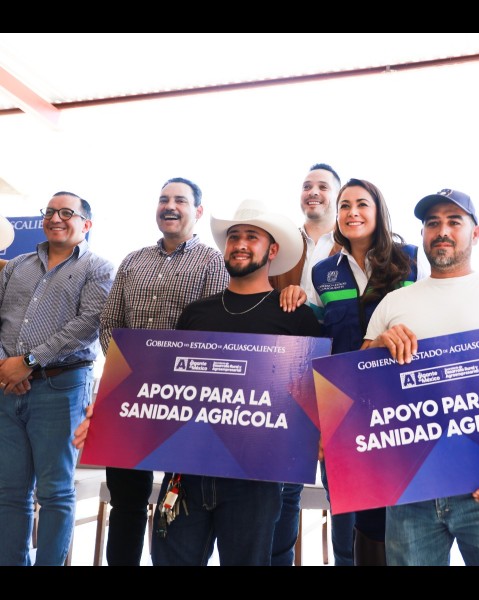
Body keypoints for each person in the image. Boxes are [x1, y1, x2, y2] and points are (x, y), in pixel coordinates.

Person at [145, 198, 321, 565]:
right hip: (187, 471)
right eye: (234, 237)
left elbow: (313, 396)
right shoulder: (195, 314)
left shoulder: (296, 317)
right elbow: (166, 388)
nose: (240, 244)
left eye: (252, 237)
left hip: (256, 479)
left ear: (272, 250)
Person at [363, 188, 479, 566]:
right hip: (411, 490)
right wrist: (377, 347)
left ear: (476, 233)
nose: (442, 231)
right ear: (422, 234)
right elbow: (360, 392)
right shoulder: (394, 303)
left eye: (454, 222)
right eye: (432, 223)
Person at [286, 178, 429, 565]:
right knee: (346, 514)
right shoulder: (322, 272)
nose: (352, 213)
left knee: (403, 517)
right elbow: (315, 342)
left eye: (362, 204)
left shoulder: (412, 259)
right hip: (343, 410)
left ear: (379, 211)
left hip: (404, 407)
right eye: (345, 206)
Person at [97, 177, 229, 566]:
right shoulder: (132, 260)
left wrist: (171, 380)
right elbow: (109, 324)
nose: (169, 206)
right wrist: (131, 373)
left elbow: (211, 331)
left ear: (198, 211)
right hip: (129, 396)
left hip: (182, 399)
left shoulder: (212, 261)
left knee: (182, 500)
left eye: (180, 200)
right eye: (163, 199)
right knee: (126, 500)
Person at [0, 191, 114, 566]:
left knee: (55, 493)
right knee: (9, 492)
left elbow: (87, 325)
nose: (55, 218)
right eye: (50, 212)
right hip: (6, 388)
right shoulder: (17, 266)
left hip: (60, 388)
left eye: (67, 212)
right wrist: (6, 366)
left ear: (86, 224)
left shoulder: (98, 268)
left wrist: (29, 362)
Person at [270, 163, 343, 567]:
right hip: (290, 377)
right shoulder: (282, 244)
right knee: (284, 486)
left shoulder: (351, 242)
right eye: (307, 185)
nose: (313, 192)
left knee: (343, 485)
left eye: (323, 186)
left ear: (338, 195)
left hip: (339, 376)